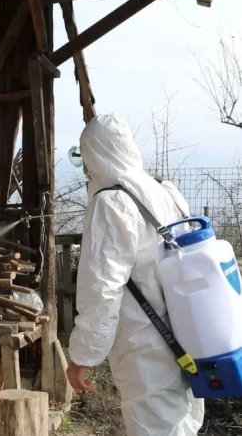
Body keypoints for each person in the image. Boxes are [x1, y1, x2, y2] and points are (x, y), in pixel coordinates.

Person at [65, 113, 205, 435]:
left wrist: (84, 354)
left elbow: (102, 289)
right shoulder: (163, 192)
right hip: (185, 333)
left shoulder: (112, 201)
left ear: (94, 154)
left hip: (147, 347)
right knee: (182, 424)